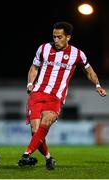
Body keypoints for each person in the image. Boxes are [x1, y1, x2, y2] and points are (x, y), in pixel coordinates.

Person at [17, 21, 107, 170]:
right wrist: (30, 83)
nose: (56, 40)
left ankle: (26, 155)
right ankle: (48, 158)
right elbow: (34, 67)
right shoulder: (44, 48)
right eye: (54, 37)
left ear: (68, 37)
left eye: (59, 37)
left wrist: (97, 86)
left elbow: (89, 71)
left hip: (56, 97)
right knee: (35, 131)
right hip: (38, 93)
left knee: (46, 123)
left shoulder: (77, 54)